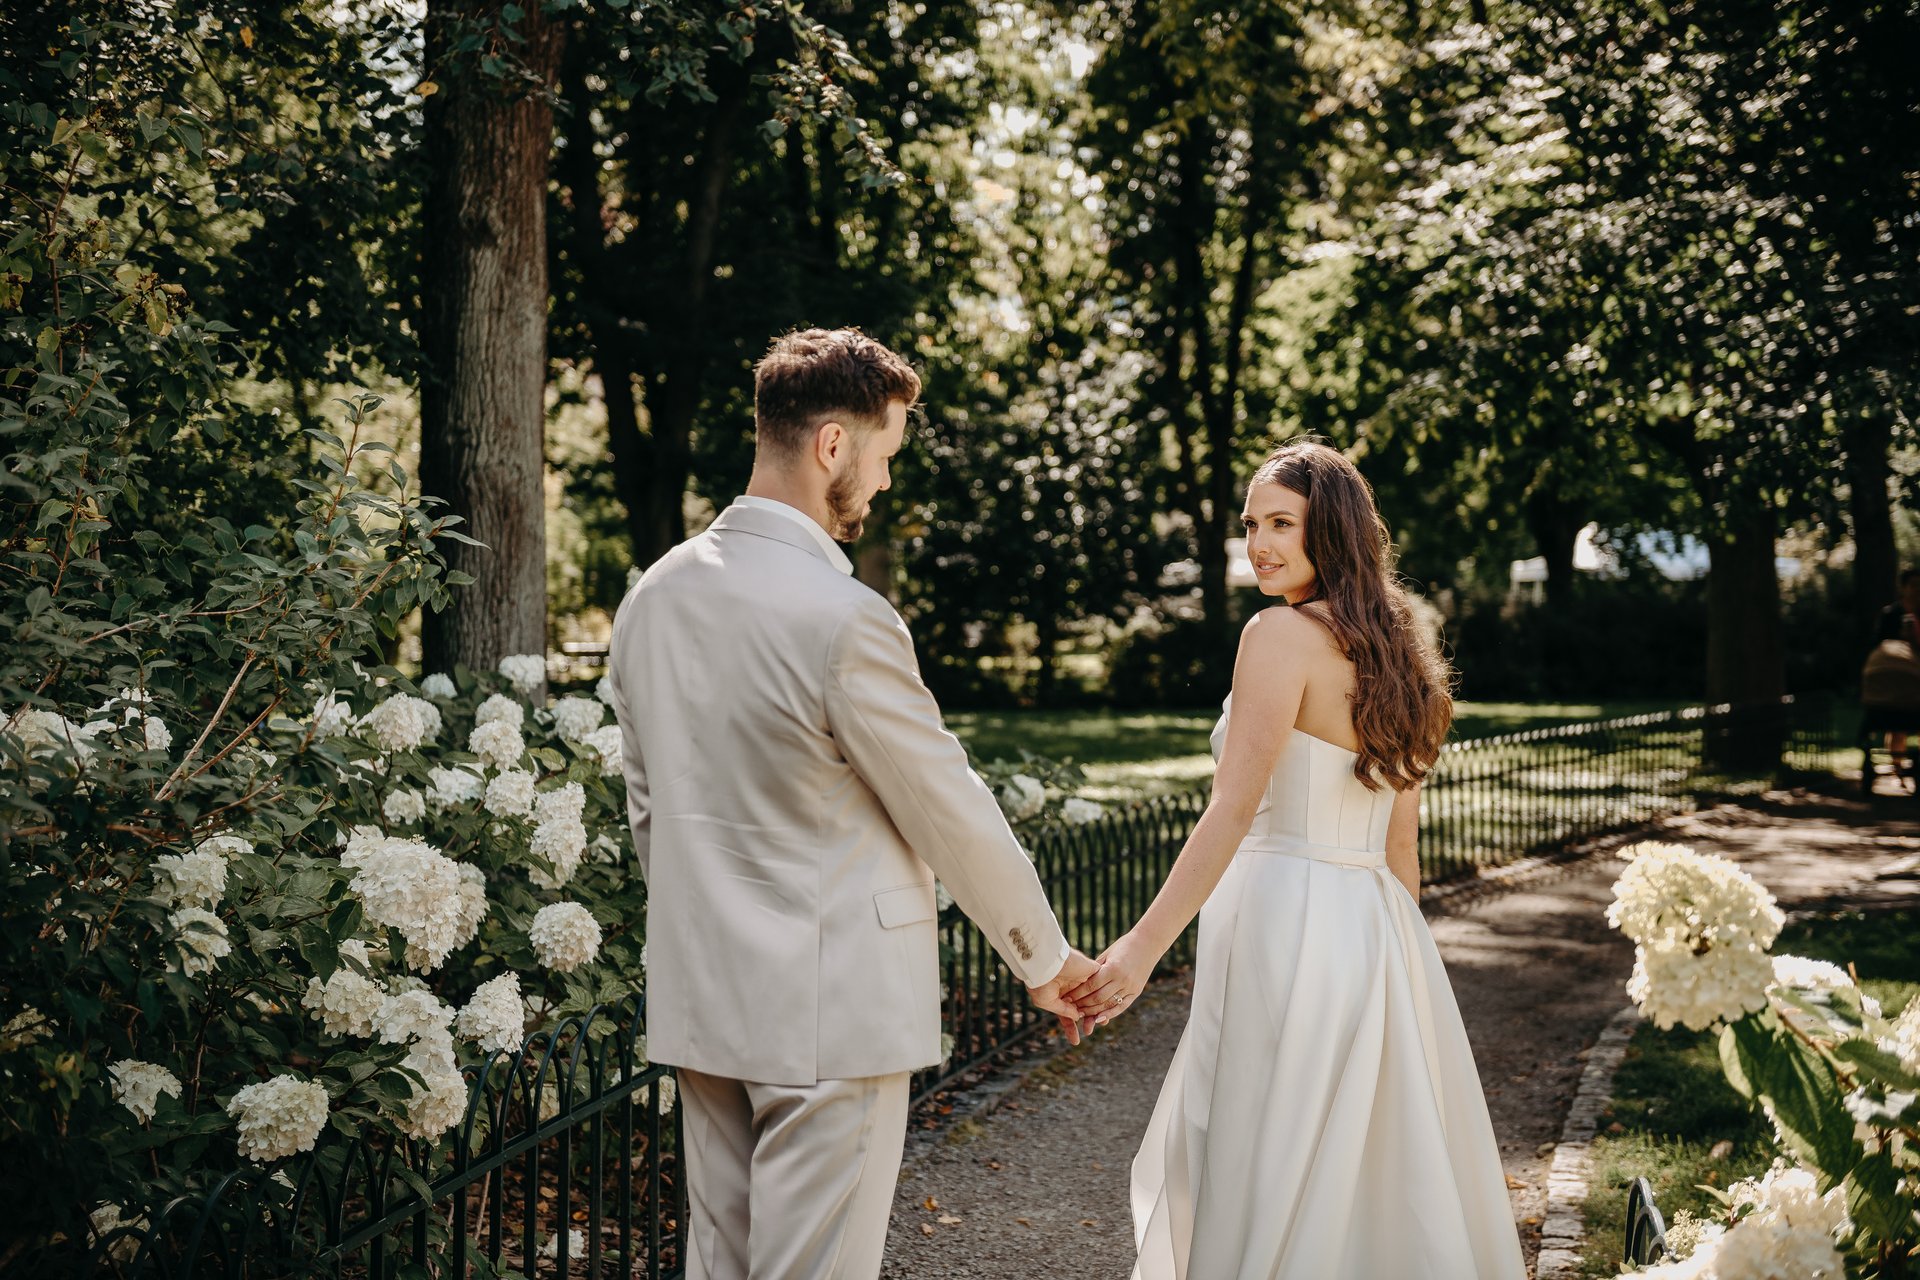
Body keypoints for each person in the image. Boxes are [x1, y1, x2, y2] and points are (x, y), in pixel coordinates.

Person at [601, 327, 1095, 1280]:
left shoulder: (652, 598)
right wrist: (1042, 957)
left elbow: (650, 810)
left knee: (724, 1263)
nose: (884, 482)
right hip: (834, 1003)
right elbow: (944, 804)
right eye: (884, 456)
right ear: (833, 443)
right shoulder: (844, 618)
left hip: (707, 994)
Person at [1068, 441, 1526, 1278]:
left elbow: (1233, 810)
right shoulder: (1403, 648)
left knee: (1261, 1141)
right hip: (1379, 931)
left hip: (1282, 916)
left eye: (1282, 523)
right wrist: (1400, 966)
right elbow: (1399, 851)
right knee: (1359, 1165)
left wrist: (1140, 947)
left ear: (1335, 531)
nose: (1260, 544)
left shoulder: (1277, 633)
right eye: (1251, 525)